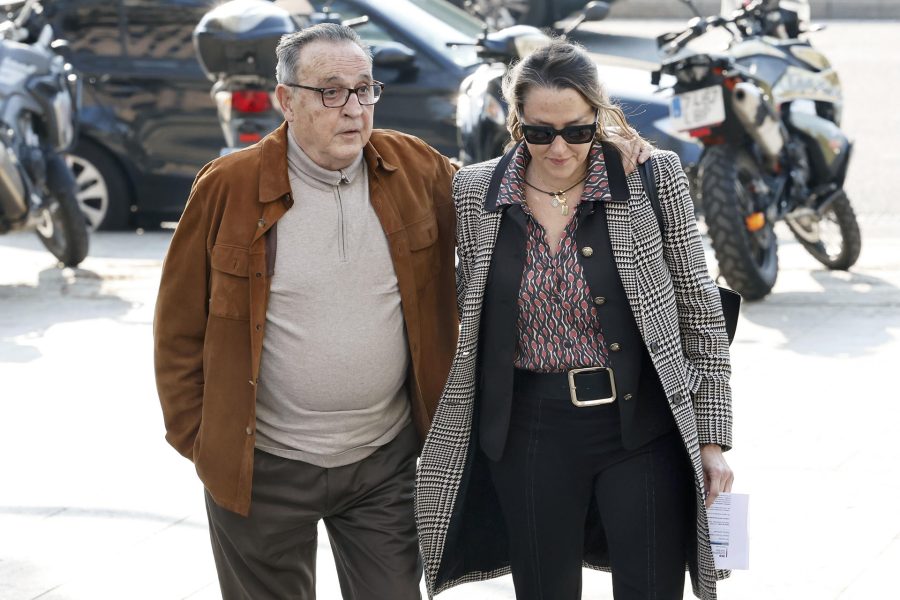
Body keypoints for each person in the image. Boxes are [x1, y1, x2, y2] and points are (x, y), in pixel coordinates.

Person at [154, 22, 648, 599]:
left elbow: (512, 189)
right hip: (262, 464)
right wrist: (202, 441)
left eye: (365, 89)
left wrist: (602, 147)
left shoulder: (413, 168)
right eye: (331, 92)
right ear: (286, 100)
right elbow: (177, 327)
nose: (353, 108)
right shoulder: (228, 186)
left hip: (382, 463)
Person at [415, 39, 734, 600]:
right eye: (540, 132)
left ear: (598, 115)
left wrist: (713, 440)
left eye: (578, 130)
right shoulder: (475, 191)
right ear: (517, 122)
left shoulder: (652, 179)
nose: (559, 148)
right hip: (528, 430)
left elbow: (700, 313)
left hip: (642, 425)